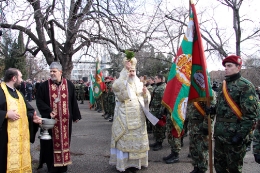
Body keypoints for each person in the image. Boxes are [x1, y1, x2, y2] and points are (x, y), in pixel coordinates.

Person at [213, 55, 259, 173]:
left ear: (238, 67)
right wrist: (213, 109)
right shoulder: (224, 85)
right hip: (220, 135)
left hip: (234, 136)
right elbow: (222, 107)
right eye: (225, 66)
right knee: (219, 167)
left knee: (234, 168)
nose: (226, 68)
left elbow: (250, 115)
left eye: (229, 66)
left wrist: (240, 135)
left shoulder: (246, 86)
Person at [36, 62, 82, 173]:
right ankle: (51, 166)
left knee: (65, 141)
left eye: (54, 71)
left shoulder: (69, 85)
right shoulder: (44, 86)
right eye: (50, 71)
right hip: (50, 122)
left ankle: (63, 165)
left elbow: (73, 101)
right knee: (49, 144)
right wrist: (48, 111)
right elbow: (39, 101)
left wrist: (75, 115)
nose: (52, 73)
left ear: (60, 72)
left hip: (65, 122)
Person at [109, 55, 151, 172]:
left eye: (133, 71)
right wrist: (125, 74)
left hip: (138, 116)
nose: (131, 73)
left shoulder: (139, 82)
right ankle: (125, 164)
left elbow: (146, 99)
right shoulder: (120, 81)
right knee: (125, 140)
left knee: (137, 140)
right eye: (129, 70)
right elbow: (118, 91)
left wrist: (145, 93)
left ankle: (137, 163)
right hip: (124, 116)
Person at [0, 68, 42, 173]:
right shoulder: (0, 91)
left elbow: (29, 110)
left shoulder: (19, 94)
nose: (22, 80)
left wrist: (33, 118)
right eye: (20, 77)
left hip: (21, 139)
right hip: (4, 139)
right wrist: (5, 114)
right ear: (14, 78)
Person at [187, 96, 216, 173]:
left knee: (202, 150)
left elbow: (210, 112)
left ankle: (202, 169)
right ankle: (196, 167)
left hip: (201, 126)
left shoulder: (207, 91)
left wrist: (206, 126)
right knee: (193, 149)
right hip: (193, 127)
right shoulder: (193, 91)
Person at [149, 74, 166, 151]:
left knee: (159, 128)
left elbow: (163, 101)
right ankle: (156, 141)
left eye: (156, 78)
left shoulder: (163, 88)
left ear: (161, 79)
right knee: (155, 127)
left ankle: (160, 143)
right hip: (154, 110)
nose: (155, 79)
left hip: (159, 110)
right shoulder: (156, 87)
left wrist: (161, 112)